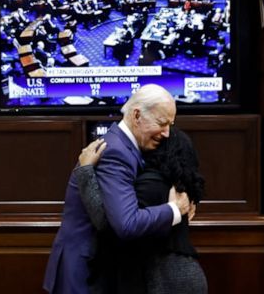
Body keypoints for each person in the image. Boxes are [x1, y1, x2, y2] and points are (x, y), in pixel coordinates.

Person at [43, 84, 192, 294]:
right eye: (162, 123)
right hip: (84, 272)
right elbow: (126, 223)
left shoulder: (125, 146)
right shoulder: (116, 152)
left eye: (171, 125)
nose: (167, 133)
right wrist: (175, 210)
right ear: (137, 115)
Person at [75, 126, 207, 294]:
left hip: (165, 278)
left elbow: (108, 223)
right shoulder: (180, 186)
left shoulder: (151, 184)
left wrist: (85, 172)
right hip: (184, 274)